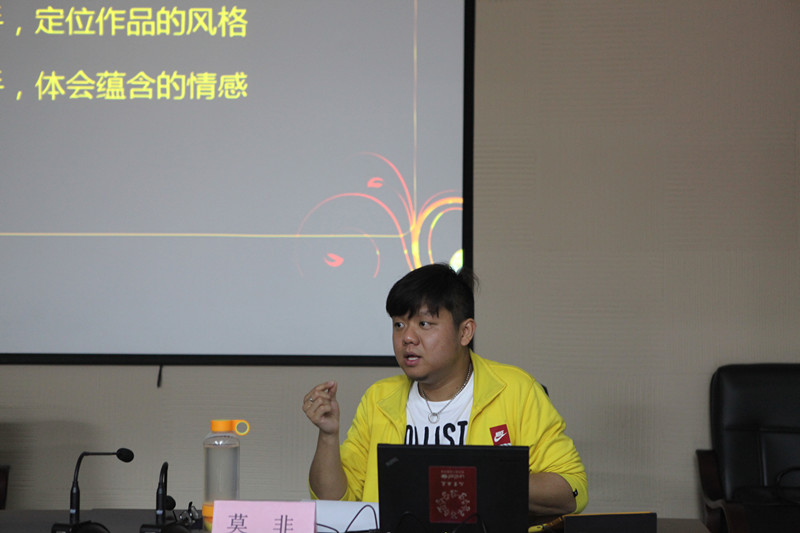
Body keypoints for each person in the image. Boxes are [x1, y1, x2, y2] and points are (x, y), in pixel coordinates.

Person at [302, 263, 588, 517]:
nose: (407, 337)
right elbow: (334, 502)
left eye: (424, 324)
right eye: (399, 324)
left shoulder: (516, 391)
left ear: (465, 332)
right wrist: (328, 435)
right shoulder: (379, 399)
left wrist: (475, 480)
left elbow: (571, 489)